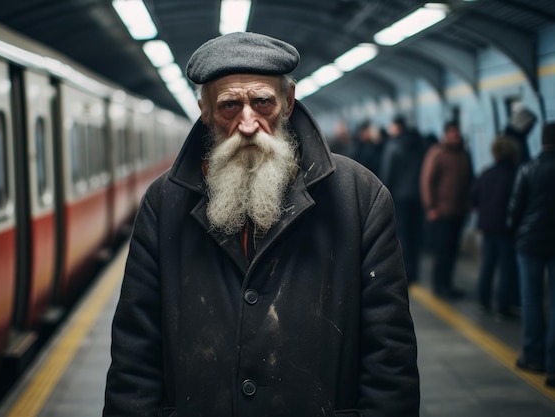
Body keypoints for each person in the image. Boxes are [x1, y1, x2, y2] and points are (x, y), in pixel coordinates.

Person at [104, 32, 419, 416]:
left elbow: (390, 359)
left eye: (262, 102)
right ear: (204, 110)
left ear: (288, 102)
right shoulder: (164, 202)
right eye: (229, 106)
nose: (248, 122)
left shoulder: (359, 196)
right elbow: (135, 354)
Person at [507, 122, 555, 388]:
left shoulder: (529, 168)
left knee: (532, 300)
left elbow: (515, 206)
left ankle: (532, 355)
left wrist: (514, 232)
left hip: (529, 242)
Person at [420, 121, 473, 298]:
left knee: (452, 250)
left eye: (457, 132)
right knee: (442, 250)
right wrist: (431, 207)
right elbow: (427, 181)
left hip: (459, 211)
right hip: (441, 211)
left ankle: (448, 284)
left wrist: (468, 205)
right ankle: (439, 284)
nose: (455, 136)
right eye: (451, 132)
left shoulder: (464, 154)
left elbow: (469, 180)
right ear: (445, 135)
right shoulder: (437, 154)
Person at [470, 136, 519, 317]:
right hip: (505, 228)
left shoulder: (486, 173)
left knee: (488, 264)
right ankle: (502, 306)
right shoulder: (514, 174)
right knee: (506, 267)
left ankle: (483, 300)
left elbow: (473, 194)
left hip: (486, 225)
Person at [379, 116, 426, 284]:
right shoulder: (420, 145)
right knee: (415, 235)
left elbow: (388, 173)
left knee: (402, 236)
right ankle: (415, 271)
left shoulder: (393, 146)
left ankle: (406, 273)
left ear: (397, 127)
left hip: (399, 197)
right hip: (417, 196)